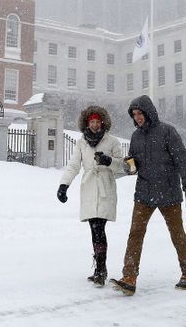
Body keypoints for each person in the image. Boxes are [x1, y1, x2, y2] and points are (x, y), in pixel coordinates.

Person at [110, 95, 186, 296]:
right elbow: (134, 165)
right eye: (134, 114)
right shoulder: (135, 136)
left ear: (148, 112)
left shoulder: (167, 131)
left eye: (140, 113)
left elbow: (182, 161)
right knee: (135, 233)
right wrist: (129, 166)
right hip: (144, 192)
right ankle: (129, 277)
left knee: (176, 233)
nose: (137, 117)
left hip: (168, 192)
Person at [57, 105, 126, 286]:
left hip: (105, 187)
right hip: (88, 188)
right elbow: (74, 165)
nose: (95, 125)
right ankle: (100, 268)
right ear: (87, 123)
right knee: (94, 229)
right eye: (92, 122)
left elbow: (122, 165)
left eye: (97, 121)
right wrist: (64, 185)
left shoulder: (112, 141)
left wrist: (108, 161)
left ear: (102, 122)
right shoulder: (81, 143)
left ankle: (101, 269)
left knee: (98, 228)